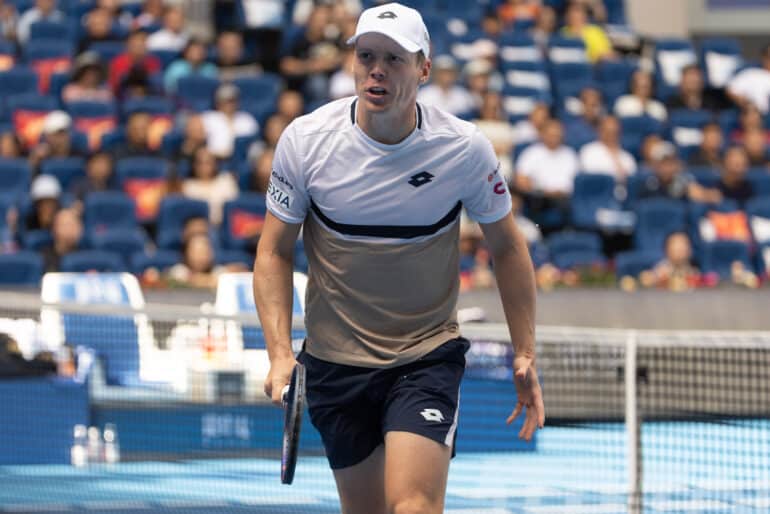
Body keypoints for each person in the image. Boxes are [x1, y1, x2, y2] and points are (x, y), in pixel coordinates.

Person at [253, 4, 544, 514]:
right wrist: (280, 352)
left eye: (394, 58)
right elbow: (274, 252)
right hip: (334, 364)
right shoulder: (306, 142)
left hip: (423, 356)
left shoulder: (463, 150)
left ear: (424, 69)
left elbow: (508, 245)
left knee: (412, 505)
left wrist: (525, 350)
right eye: (366, 56)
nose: (377, 69)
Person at [181, 147, 238, 226]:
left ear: (215, 164)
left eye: (208, 162)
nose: (204, 167)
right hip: (201, 227)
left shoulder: (226, 181)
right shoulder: (188, 186)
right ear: (193, 165)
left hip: (225, 225)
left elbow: (233, 209)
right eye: (200, 162)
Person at [201, 83, 259, 159]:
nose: (229, 104)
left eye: (232, 100)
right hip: (214, 160)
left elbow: (255, 143)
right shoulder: (208, 117)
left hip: (241, 160)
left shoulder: (247, 119)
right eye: (225, 100)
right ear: (218, 101)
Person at [579, 115, 637, 181]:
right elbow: (592, 178)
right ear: (600, 131)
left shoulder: (627, 157)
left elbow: (631, 181)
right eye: (608, 132)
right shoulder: (588, 151)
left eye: (614, 132)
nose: (611, 136)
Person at [727, 44, 770, 114]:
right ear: (764, 58)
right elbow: (730, 90)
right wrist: (746, 103)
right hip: (756, 114)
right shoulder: (751, 74)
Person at [41, 207, 83, 272]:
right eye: (66, 225)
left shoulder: (86, 258)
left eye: (74, 224)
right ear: (54, 229)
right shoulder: (43, 258)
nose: (71, 229)